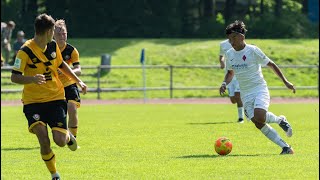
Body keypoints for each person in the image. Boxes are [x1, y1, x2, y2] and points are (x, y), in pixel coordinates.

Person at [11, 13, 87, 180]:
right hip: (33, 102)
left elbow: (62, 65)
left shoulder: (52, 47)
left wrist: (79, 81)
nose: (55, 34)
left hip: (55, 98)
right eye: (54, 31)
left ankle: (67, 136)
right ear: (48, 31)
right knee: (43, 138)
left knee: (59, 140)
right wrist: (31, 79)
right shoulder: (24, 51)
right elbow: (14, 76)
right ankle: (54, 174)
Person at [219, 20, 296, 155]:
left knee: (260, 115)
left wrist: (286, 82)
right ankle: (286, 148)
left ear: (242, 36)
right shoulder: (230, 54)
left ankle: (279, 120)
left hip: (259, 89)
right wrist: (224, 83)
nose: (231, 42)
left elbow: (271, 64)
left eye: (233, 38)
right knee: (258, 123)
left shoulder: (253, 51)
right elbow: (230, 73)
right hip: (245, 94)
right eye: (229, 39)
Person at [53, 19, 81, 139]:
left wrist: (66, 72)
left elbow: (78, 69)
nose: (62, 36)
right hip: (54, 86)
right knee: (57, 114)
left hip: (69, 84)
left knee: (72, 108)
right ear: (53, 34)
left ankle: (73, 139)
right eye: (58, 34)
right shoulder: (48, 49)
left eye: (64, 33)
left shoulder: (72, 50)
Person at [219, 32, 244, 123]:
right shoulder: (223, 44)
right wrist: (222, 62)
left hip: (239, 73)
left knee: (238, 95)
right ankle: (244, 102)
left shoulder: (239, 42)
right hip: (229, 74)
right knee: (233, 100)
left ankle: (241, 118)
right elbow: (221, 56)